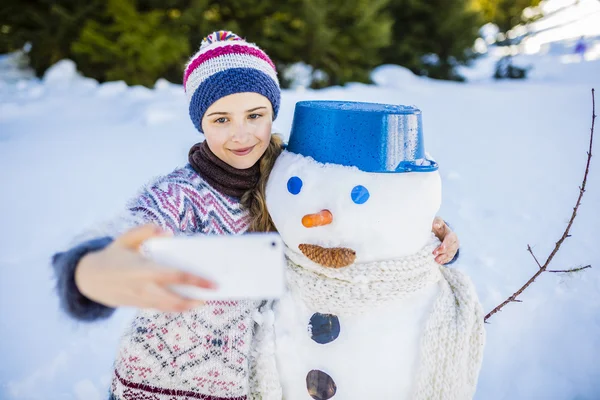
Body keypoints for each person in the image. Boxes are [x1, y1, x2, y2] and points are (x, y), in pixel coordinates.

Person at [51, 30, 460, 399]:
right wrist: (91, 268)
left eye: (255, 115)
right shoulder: (181, 194)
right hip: (160, 385)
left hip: (254, 385)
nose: (242, 134)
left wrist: (429, 237)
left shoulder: (292, 180)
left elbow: (360, 220)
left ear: (272, 112)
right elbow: (127, 229)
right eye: (221, 119)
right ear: (201, 123)